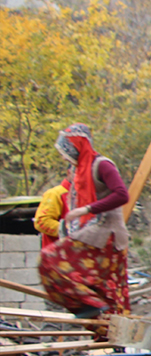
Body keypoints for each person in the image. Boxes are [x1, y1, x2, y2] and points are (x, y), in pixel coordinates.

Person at [38, 124, 130, 318]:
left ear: (76, 147)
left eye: (65, 152)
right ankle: (94, 312)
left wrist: (87, 209)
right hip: (90, 234)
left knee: (51, 259)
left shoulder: (102, 165)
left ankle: (100, 315)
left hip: (107, 236)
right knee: (97, 287)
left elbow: (122, 195)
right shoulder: (79, 171)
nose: (64, 158)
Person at [33, 178, 69, 250]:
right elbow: (41, 221)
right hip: (58, 252)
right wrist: (69, 231)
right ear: (69, 173)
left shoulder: (88, 193)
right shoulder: (55, 194)